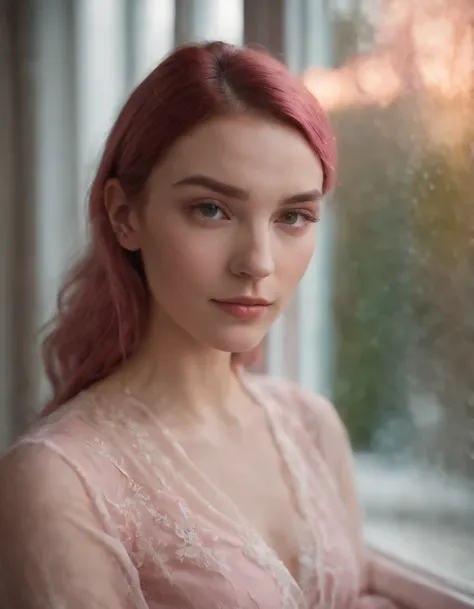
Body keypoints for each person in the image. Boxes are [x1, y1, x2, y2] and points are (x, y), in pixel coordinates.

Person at [0, 42, 399, 609]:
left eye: (293, 216)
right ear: (124, 215)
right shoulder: (55, 481)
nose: (258, 261)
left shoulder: (312, 426)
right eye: (211, 209)